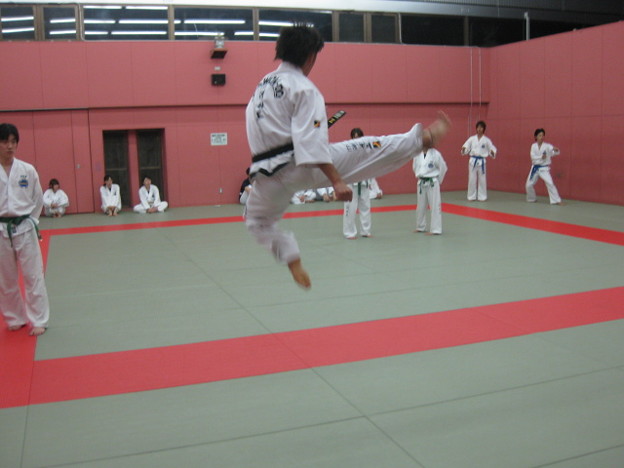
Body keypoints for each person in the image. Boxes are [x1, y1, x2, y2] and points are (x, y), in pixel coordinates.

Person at [244, 25, 451, 289]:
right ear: (311, 55)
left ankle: (290, 256)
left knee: (256, 222)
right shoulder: (304, 89)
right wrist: (337, 181)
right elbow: (311, 141)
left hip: (264, 176)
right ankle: (423, 139)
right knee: (367, 149)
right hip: (299, 165)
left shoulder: (260, 88)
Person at [0, 123, 50, 336]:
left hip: (25, 227)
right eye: (5, 141)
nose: (9, 146)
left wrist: (31, 221)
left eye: (13, 142)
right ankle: (15, 317)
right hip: (1, 229)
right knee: (5, 278)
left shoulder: (27, 170)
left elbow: (38, 199)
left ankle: (38, 319)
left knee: (33, 275)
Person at [343, 127, 372, 239]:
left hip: (364, 183)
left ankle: (366, 231)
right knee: (350, 208)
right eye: (355, 137)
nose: (357, 139)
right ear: (351, 138)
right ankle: (349, 232)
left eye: (359, 137)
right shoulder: (347, 151)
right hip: (351, 184)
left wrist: (370, 182)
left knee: (365, 207)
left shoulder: (367, 152)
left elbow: (370, 167)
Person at [412, 147, 447, 235]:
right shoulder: (417, 154)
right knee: (420, 206)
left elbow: (443, 167)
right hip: (421, 181)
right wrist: (420, 175)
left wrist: (438, 180)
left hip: (432, 182)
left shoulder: (435, 154)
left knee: (435, 205)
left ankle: (436, 229)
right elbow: (414, 167)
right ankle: (420, 226)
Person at [461, 120, 497, 201]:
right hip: (473, 161)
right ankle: (471, 196)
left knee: (482, 180)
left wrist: (492, 152)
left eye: (481, 127)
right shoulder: (471, 139)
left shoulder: (487, 140)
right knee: (472, 179)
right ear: (476, 128)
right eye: (478, 127)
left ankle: (482, 196)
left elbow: (492, 149)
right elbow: (466, 146)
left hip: (482, 161)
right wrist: (464, 149)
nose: (479, 129)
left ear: (484, 129)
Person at [526, 128, 562, 205]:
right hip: (535, 168)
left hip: (544, 168)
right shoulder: (533, 146)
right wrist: (541, 157)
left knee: (550, 183)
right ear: (536, 137)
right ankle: (531, 198)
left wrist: (556, 150)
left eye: (543, 135)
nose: (541, 137)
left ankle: (556, 200)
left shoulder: (547, 146)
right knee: (528, 185)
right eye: (540, 135)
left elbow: (553, 151)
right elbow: (532, 157)